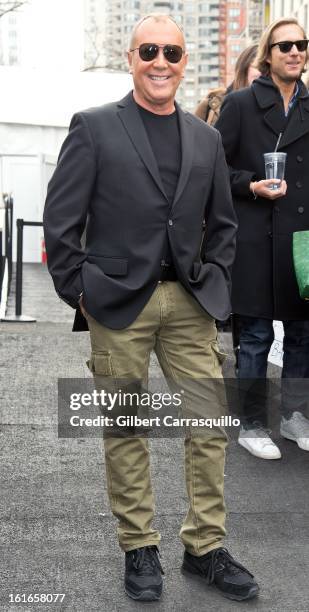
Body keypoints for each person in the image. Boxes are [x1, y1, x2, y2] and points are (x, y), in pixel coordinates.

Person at [43, 13, 259, 603]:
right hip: (117, 304)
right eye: (148, 51)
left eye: (172, 52)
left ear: (185, 61)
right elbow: (61, 223)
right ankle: (139, 546)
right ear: (131, 58)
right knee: (125, 427)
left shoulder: (207, 138)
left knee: (210, 425)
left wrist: (213, 278)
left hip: (189, 300)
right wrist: (79, 290)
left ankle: (204, 549)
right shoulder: (93, 127)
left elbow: (224, 222)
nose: (160, 62)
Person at [216, 17, 309, 460]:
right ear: (267, 55)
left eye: (301, 44)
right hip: (255, 235)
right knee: (253, 334)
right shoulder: (239, 105)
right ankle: (252, 423)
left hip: (302, 237)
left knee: (302, 332)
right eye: (284, 45)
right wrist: (251, 185)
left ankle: (294, 418)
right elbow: (214, 170)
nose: (294, 51)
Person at [195, 43, 260, 126]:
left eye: (268, 69)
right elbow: (191, 137)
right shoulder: (210, 105)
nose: (263, 73)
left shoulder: (276, 108)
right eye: (258, 66)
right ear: (244, 69)